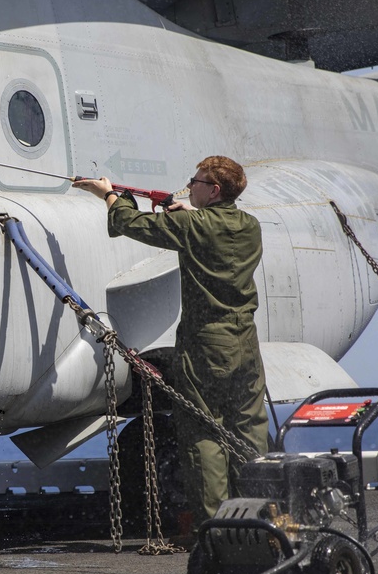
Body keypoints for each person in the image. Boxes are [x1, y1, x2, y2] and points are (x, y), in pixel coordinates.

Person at [73, 156, 269, 526]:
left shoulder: (193, 225)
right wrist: (183, 215)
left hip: (206, 344)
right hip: (245, 342)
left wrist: (111, 195)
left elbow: (127, 223)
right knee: (249, 430)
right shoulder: (250, 226)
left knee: (203, 432)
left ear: (213, 190)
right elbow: (209, 232)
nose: (189, 185)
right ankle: (262, 519)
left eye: (196, 181)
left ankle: (219, 527)